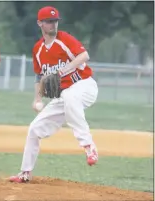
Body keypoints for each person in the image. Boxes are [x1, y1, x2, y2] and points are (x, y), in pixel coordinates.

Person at [9, 6, 99, 183]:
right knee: (35, 129)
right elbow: (39, 76)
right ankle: (25, 172)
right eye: (49, 21)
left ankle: (89, 146)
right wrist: (37, 98)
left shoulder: (64, 39)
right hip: (64, 95)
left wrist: (61, 72)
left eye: (55, 21)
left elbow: (84, 56)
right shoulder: (38, 49)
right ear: (40, 23)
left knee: (69, 97)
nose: (53, 24)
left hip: (84, 86)